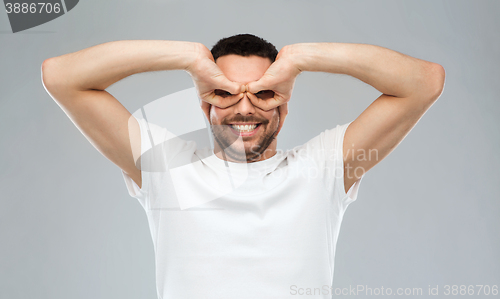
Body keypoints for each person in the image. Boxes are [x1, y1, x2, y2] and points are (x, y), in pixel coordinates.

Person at [41, 33, 445, 298]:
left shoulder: (322, 170)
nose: (245, 107)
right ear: (205, 106)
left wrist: (302, 58)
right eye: (226, 93)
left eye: (264, 93)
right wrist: (188, 57)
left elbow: (424, 82)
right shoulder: (166, 168)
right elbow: (61, 77)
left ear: (284, 109)